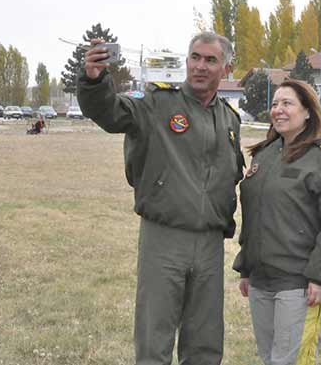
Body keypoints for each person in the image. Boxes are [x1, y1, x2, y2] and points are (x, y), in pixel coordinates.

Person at [77, 32, 244, 365]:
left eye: (210, 60)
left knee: (205, 341)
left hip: (210, 242)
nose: (200, 66)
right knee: (155, 337)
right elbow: (110, 112)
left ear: (225, 68)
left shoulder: (230, 119)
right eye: (195, 57)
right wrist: (94, 80)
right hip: (164, 238)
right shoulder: (157, 103)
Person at [233, 79, 321, 365]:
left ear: (308, 112)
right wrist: (246, 267)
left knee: (289, 361)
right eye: (275, 104)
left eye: (287, 103)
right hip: (262, 279)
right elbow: (255, 216)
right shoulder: (264, 155)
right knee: (269, 359)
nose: (278, 110)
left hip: (298, 283)